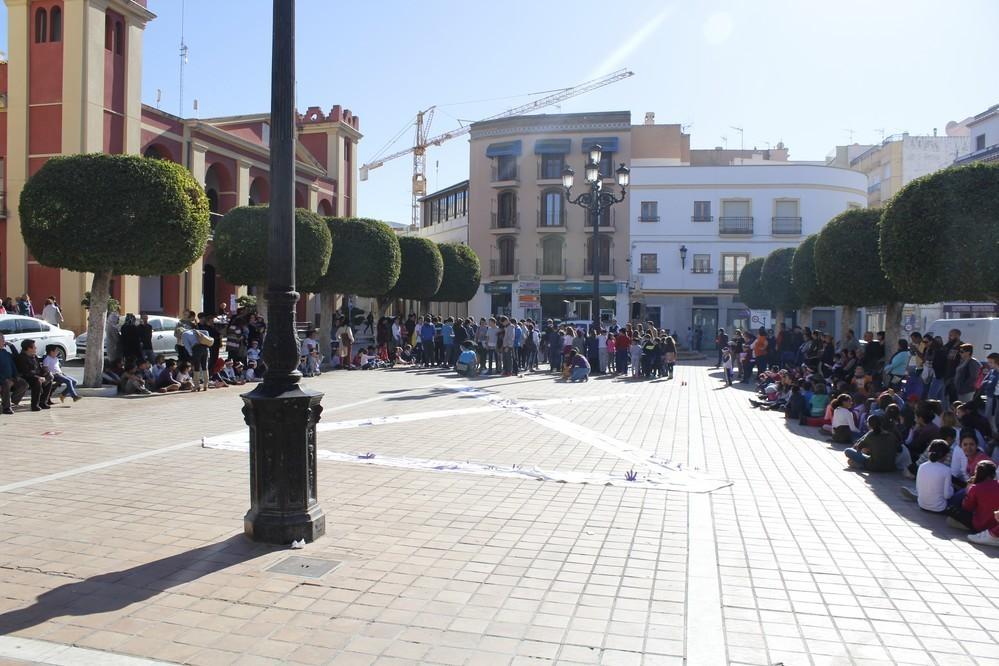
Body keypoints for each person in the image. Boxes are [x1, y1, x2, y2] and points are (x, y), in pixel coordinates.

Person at [911, 440, 954, 513]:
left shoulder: (921, 466)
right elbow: (947, 495)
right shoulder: (947, 470)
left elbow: (918, 488)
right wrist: (952, 489)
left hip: (922, 505)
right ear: (946, 455)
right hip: (939, 508)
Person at [15, 339, 53, 411]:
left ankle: (43, 402)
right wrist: (39, 377)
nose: (36, 348)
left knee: (50, 377)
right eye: (34, 347)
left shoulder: (34, 356)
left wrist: (45, 373)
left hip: (36, 375)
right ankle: (35, 405)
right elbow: (26, 373)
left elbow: (39, 368)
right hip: (27, 377)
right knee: (37, 382)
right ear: (29, 348)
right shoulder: (22, 358)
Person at [0, 334, 27, 414]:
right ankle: (6, 408)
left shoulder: (5, 352)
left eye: (4, 339)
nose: (4, 341)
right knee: (6, 384)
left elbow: (16, 357)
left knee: (24, 384)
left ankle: (12, 401)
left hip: (11, 377)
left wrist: (11, 346)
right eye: (2, 339)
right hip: (3, 380)